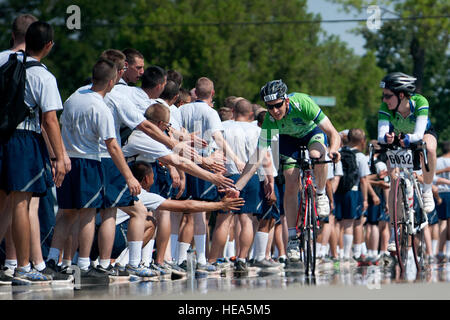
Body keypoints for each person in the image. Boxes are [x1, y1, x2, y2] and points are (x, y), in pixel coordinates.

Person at [231, 80, 341, 265]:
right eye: (270, 107)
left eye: (278, 105)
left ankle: (320, 194)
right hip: (288, 141)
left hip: (310, 134)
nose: (274, 111)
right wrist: (238, 186)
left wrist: (334, 150)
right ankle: (292, 238)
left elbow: (332, 132)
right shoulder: (270, 120)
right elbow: (257, 156)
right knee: (291, 181)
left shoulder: (302, 102)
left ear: (286, 101)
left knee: (317, 154)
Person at [0, 21, 67, 285]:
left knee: (5, 203)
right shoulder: (43, 76)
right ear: (48, 45)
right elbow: (49, 119)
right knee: (21, 203)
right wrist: (60, 156)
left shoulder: (6, 64)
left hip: (4, 138)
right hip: (24, 139)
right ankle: (23, 266)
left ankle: (18, 264)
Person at [110, 161, 244, 278]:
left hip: (99, 239)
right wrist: (221, 205)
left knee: (148, 220)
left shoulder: (118, 187)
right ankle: (127, 264)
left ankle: (116, 262)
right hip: (114, 239)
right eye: (152, 177)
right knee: (151, 222)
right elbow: (186, 205)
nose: (153, 180)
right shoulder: (143, 195)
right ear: (146, 178)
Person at [177, 77, 245, 271]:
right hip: (203, 165)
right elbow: (217, 137)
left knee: (178, 214)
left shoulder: (182, 109)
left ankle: (176, 257)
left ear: (195, 93)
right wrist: (235, 158)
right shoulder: (210, 112)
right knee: (200, 215)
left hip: (182, 161)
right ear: (212, 93)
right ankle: (200, 260)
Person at [378, 72, 438, 214]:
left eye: (388, 96)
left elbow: (418, 134)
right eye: (383, 96)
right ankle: (395, 231)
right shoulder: (385, 107)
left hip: (422, 134)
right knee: (393, 182)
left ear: (401, 95)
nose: (384, 100)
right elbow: (381, 136)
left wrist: (408, 139)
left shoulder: (420, 102)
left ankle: (427, 190)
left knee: (429, 148)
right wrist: (387, 138)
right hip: (398, 137)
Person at [334, 128, 370, 265]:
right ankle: (346, 255)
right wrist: (365, 199)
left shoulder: (339, 152)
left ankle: (335, 252)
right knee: (349, 223)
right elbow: (364, 180)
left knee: (337, 223)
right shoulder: (360, 156)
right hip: (352, 191)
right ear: (362, 140)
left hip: (337, 190)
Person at [435, 141, 450, 263]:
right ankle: (448, 251)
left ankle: (440, 251)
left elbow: (432, 176)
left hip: (439, 192)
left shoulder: (437, 161)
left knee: (442, 223)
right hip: (449, 191)